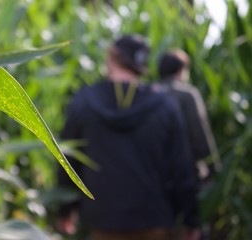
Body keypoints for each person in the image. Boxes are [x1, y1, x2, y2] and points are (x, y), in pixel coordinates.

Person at [57, 35, 200, 240]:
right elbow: (181, 166)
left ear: (112, 57)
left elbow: (67, 158)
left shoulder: (84, 101)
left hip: (103, 221)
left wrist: (66, 208)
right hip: (155, 220)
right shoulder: (164, 105)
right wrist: (191, 219)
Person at [157, 49, 220, 183]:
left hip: (155, 172)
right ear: (181, 70)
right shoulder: (187, 94)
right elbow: (199, 133)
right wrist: (213, 167)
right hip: (185, 170)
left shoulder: (149, 94)